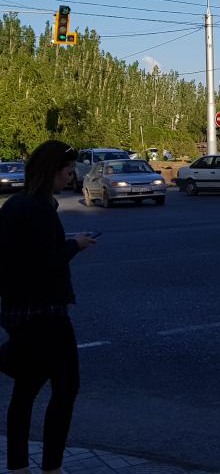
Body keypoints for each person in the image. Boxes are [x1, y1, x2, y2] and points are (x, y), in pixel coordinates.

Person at [0, 141, 97, 474]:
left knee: (25, 391)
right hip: (47, 314)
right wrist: (75, 245)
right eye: (68, 171)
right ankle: (52, 467)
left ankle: (16, 466)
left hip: (17, 312)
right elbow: (45, 263)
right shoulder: (40, 207)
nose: (70, 177)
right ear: (52, 170)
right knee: (66, 388)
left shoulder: (14, 205)